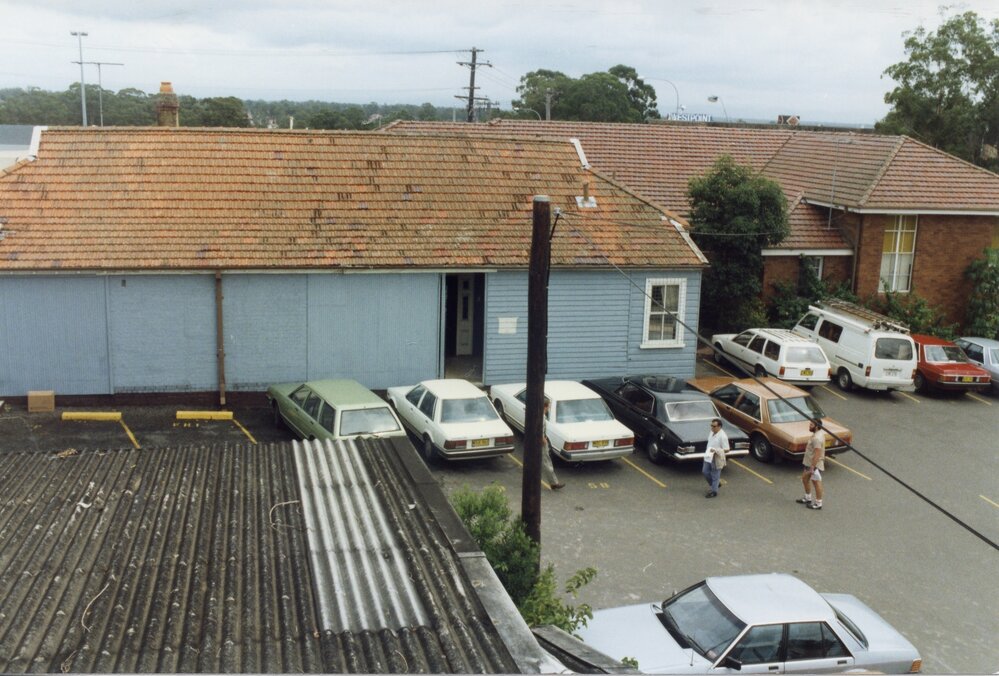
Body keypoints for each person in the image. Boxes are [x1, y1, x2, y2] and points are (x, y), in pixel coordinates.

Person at [797, 419, 826, 509]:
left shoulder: (817, 438)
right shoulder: (818, 434)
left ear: (817, 427)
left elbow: (817, 453)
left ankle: (818, 503)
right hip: (809, 463)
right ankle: (808, 498)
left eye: (811, 425)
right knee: (805, 479)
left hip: (813, 464)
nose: (809, 426)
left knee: (816, 482)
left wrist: (813, 467)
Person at [540, 400, 564, 490]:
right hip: (541, 442)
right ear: (545, 407)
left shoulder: (539, 415)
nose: (549, 408)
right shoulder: (542, 417)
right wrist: (543, 440)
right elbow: (540, 429)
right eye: (548, 406)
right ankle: (554, 483)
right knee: (547, 462)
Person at [703, 418, 728, 498]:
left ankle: (714, 491)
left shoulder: (723, 436)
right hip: (708, 456)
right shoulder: (712, 432)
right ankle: (715, 484)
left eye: (714, 426)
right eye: (711, 425)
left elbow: (727, 449)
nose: (712, 428)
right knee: (705, 471)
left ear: (719, 426)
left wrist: (716, 450)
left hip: (716, 458)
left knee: (715, 475)